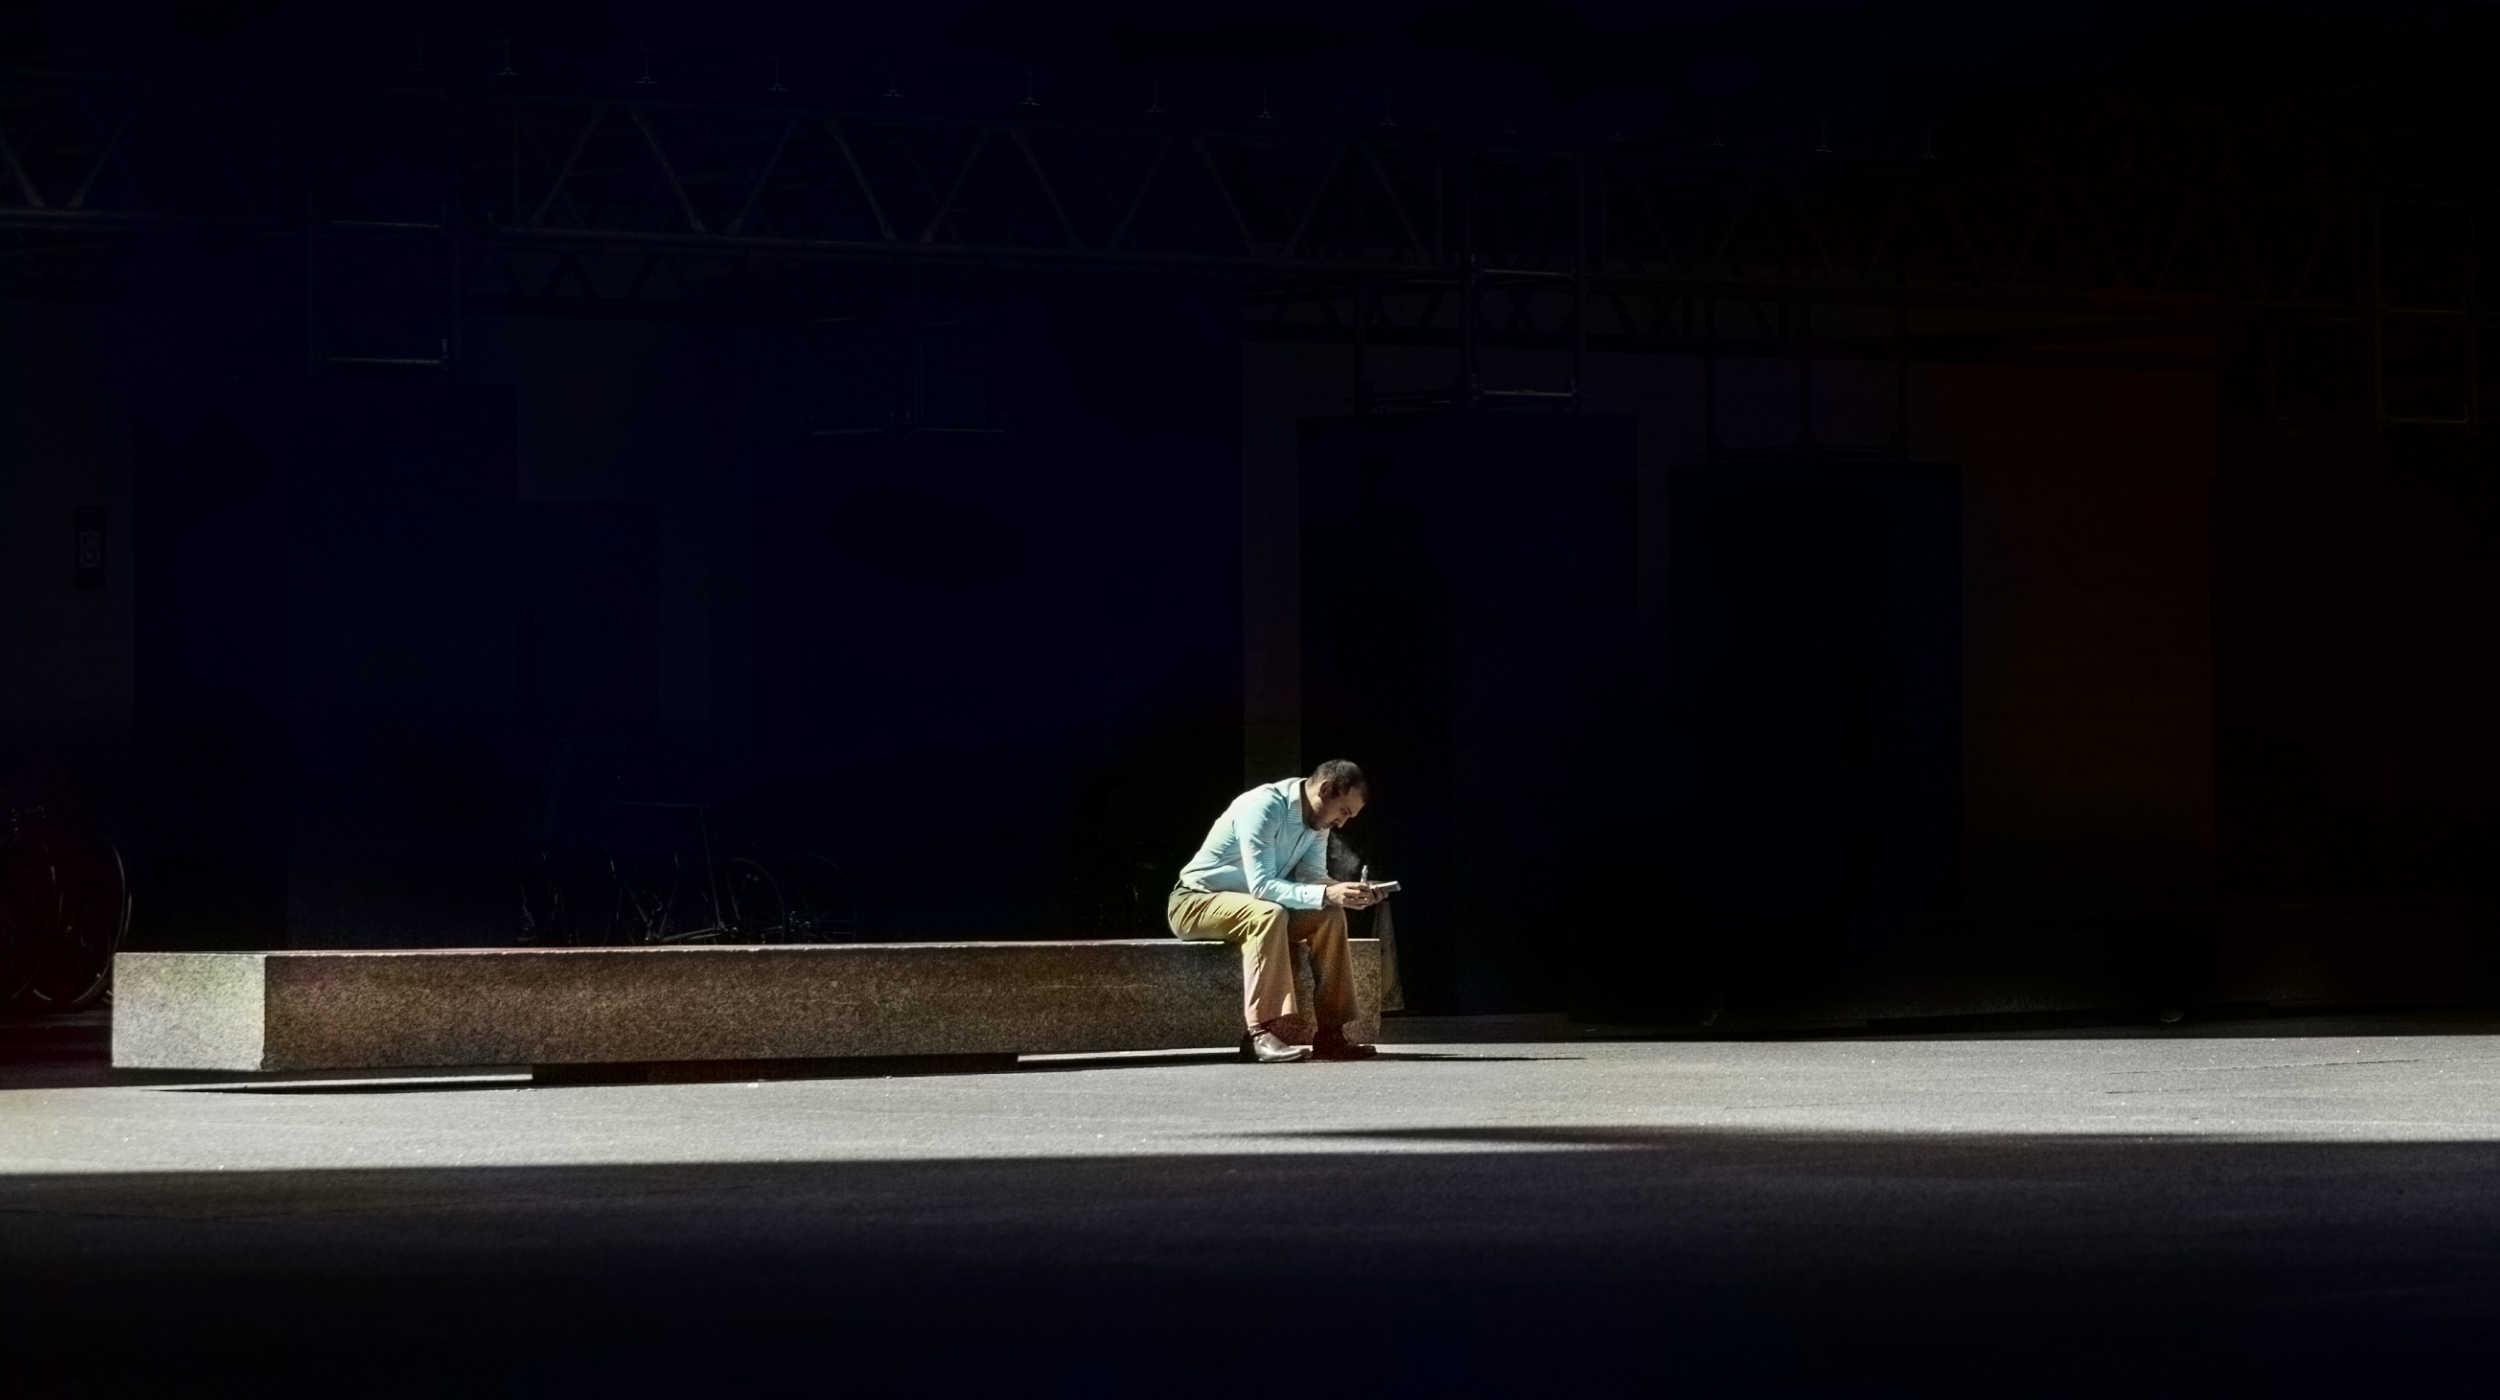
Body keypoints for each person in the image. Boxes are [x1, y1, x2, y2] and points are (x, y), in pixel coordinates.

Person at [1168, 760, 1383, 1064]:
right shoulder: (1263, 807)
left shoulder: (1316, 822)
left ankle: (1331, 1035)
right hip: (1195, 901)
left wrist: (1345, 893)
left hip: (1255, 905)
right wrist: (1325, 893)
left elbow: (1313, 879)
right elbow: (1262, 887)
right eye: (1343, 811)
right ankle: (1258, 1034)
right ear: (1325, 790)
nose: (1342, 823)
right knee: (1268, 913)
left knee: (1330, 915)